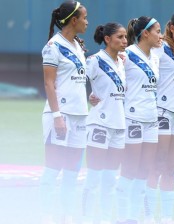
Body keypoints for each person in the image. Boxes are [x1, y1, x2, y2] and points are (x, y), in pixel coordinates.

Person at [40, 1, 88, 223]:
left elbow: (74, 82)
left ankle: (66, 216)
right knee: (53, 170)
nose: (87, 22)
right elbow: (49, 85)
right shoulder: (53, 46)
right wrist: (57, 117)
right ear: (74, 20)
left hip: (80, 116)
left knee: (71, 172)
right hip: (60, 116)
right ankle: (45, 215)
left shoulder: (78, 45)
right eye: (84, 18)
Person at [144, 12, 174, 223]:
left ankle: (165, 217)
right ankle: (148, 217)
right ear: (171, 28)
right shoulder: (160, 47)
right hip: (162, 111)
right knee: (157, 164)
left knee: (171, 168)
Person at [114, 16, 162, 224]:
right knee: (130, 168)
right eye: (158, 31)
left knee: (145, 169)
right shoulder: (127, 56)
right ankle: (122, 216)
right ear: (145, 33)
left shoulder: (156, 57)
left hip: (151, 119)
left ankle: (135, 216)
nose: (161, 35)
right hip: (132, 117)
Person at [82, 22, 127, 224]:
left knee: (110, 180)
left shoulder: (122, 61)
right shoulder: (94, 61)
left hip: (119, 125)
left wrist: (95, 92)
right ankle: (86, 219)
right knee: (94, 177)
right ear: (107, 39)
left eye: (126, 37)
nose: (125, 41)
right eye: (120, 37)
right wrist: (90, 95)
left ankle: (106, 219)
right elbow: (74, 81)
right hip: (99, 124)